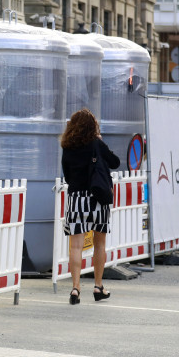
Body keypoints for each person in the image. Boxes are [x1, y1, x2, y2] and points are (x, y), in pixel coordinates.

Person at [60, 108, 120, 304]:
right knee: (99, 243)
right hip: (97, 199)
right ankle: (98, 286)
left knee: (76, 247)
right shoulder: (96, 144)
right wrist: (100, 141)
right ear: (92, 127)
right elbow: (115, 162)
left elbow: (67, 176)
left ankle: (75, 288)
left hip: (76, 199)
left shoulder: (67, 147)